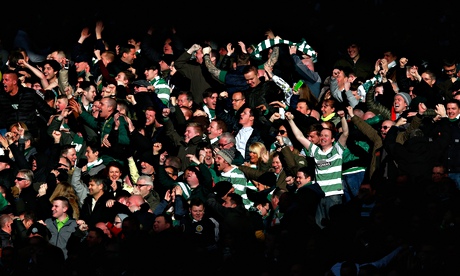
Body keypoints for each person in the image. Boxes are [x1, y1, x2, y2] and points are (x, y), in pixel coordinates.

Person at [285, 108, 349, 228]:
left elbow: (345, 133)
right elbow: (299, 137)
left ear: (332, 139)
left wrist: (342, 118)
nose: (323, 137)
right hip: (320, 195)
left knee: (334, 227)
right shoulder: (316, 151)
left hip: (334, 195)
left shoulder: (337, 150)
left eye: (326, 135)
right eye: (321, 135)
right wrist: (290, 121)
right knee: (319, 227)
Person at [0, 70, 56, 139]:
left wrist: (55, 115)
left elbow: (45, 109)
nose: (3, 82)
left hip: (29, 134)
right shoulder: (2, 96)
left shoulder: (29, 94)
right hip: (11, 135)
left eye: (6, 80)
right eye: (3, 80)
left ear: (14, 82)